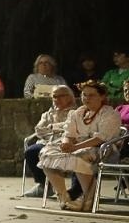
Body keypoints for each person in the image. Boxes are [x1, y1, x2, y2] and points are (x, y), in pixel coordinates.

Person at [38, 80, 123, 211]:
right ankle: (64, 197)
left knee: (80, 155)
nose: (87, 98)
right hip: (78, 146)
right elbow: (69, 132)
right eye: (84, 95)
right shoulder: (78, 112)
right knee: (47, 153)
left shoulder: (110, 114)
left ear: (102, 96)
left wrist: (75, 147)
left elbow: (100, 138)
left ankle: (89, 198)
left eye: (91, 95)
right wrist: (66, 142)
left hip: (103, 150)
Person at [21, 85, 76, 197]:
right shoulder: (48, 114)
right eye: (54, 97)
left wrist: (52, 127)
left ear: (69, 97)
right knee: (31, 151)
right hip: (46, 142)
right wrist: (54, 129)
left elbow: (69, 127)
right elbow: (39, 130)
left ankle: (76, 191)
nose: (57, 99)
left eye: (60, 96)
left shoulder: (75, 113)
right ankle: (44, 185)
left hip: (66, 143)